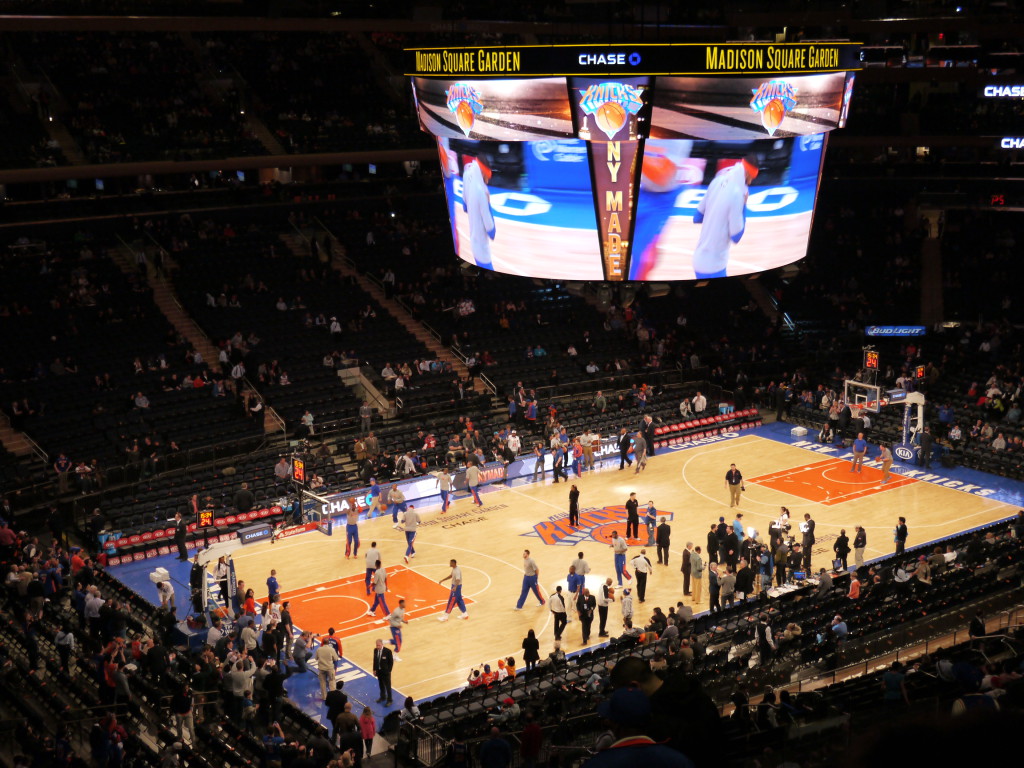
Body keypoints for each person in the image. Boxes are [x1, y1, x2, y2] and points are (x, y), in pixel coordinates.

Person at [692, 153, 759, 279]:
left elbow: (697, 218)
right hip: (715, 266)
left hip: (698, 260)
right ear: (748, 174)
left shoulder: (716, 181)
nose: (750, 183)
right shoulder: (737, 194)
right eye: (752, 178)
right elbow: (736, 236)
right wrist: (743, 205)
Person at [462, 156, 497, 269]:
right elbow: (490, 227)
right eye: (487, 177)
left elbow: (465, 205)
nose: (487, 181)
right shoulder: (482, 191)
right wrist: (488, 203)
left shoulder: (467, 174)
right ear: (483, 172)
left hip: (473, 238)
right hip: (481, 245)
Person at [372, 638, 394, 706]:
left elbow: (391, 662)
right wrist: (374, 669)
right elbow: (375, 660)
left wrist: (389, 671)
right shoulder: (375, 650)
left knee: (388, 687)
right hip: (379, 672)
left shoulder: (388, 651)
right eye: (377, 645)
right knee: (381, 685)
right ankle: (383, 697)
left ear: (382, 644)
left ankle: (390, 700)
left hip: (386, 672)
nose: (377, 647)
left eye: (379, 645)